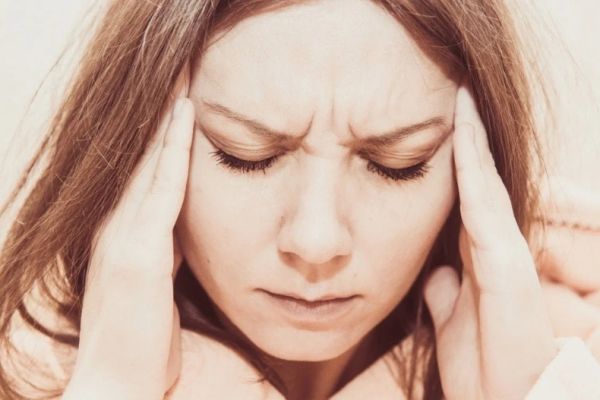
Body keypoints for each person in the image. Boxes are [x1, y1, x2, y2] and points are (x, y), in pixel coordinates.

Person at [1, 0, 599, 399]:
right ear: (135, 142)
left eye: (398, 163)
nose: (316, 241)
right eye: (246, 154)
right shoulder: (25, 369)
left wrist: (533, 389)